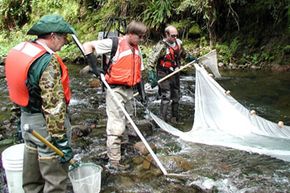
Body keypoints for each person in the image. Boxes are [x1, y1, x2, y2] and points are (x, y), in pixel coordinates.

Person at [5, 15, 75, 192]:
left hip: (26, 121)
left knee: (32, 180)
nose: (65, 41)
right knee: (55, 180)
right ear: (52, 36)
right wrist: (61, 142)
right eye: (63, 37)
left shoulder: (20, 50)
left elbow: (17, 85)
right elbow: (54, 106)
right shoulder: (46, 61)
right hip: (44, 125)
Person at [82, 21, 147, 171]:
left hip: (129, 90)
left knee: (127, 119)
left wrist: (142, 93)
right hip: (115, 89)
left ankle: (122, 147)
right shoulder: (114, 43)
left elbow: (139, 71)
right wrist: (93, 67)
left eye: (143, 37)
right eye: (140, 37)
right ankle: (114, 161)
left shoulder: (137, 49)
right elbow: (87, 46)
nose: (141, 39)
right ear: (131, 34)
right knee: (116, 126)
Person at [147, 25, 194, 123]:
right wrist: (152, 75)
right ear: (166, 34)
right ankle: (163, 120)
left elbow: (184, 54)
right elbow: (151, 61)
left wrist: (191, 58)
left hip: (175, 72)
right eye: (173, 36)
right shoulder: (161, 46)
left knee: (176, 95)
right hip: (163, 73)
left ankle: (175, 119)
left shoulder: (179, 43)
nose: (175, 38)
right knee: (166, 96)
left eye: (176, 35)